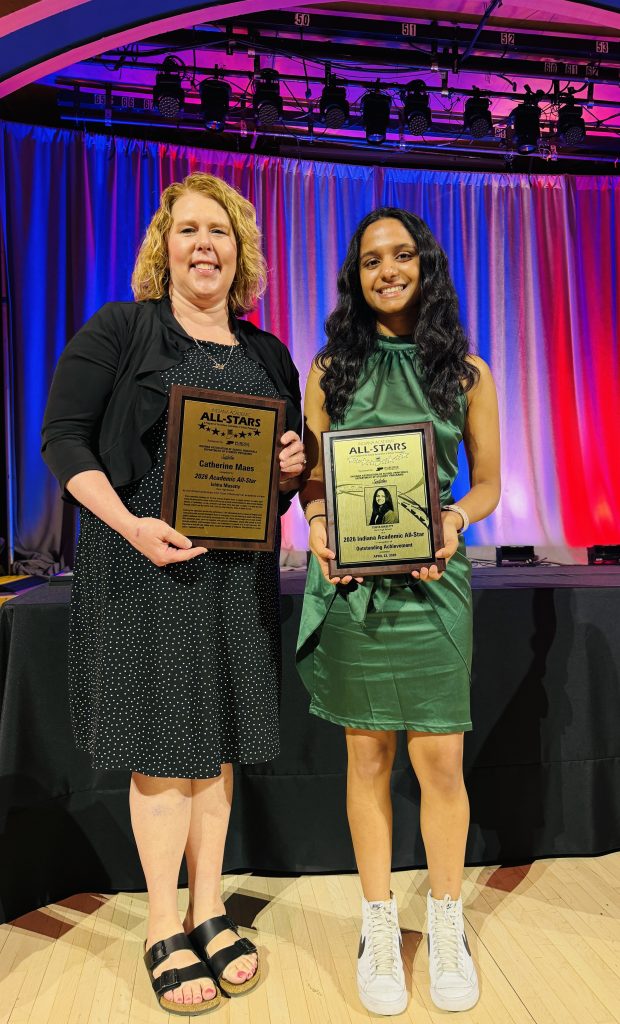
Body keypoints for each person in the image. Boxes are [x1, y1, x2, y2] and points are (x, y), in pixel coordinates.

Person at [41, 173, 304, 1016]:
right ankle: (163, 924)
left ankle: (210, 907)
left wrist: (288, 474)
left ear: (241, 253)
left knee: (216, 740)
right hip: (142, 566)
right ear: (164, 246)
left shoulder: (268, 355)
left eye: (220, 233)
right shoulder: (121, 330)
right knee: (164, 750)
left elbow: (272, 482)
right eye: (188, 229)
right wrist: (130, 524)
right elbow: (62, 438)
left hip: (233, 578)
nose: (205, 245)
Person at [297, 208, 500, 1016]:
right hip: (354, 591)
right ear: (354, 273)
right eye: (372, 258)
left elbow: (487, 483)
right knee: (368, 761)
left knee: (442, 764)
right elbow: (314, 483)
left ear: (426, 264)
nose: (388, 268)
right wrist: (316, 527)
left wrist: (454, 519)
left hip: (433, 584)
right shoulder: (326, 371)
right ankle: (379, 925)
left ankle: (444, 922)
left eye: (403, 254)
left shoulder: (468, 373)